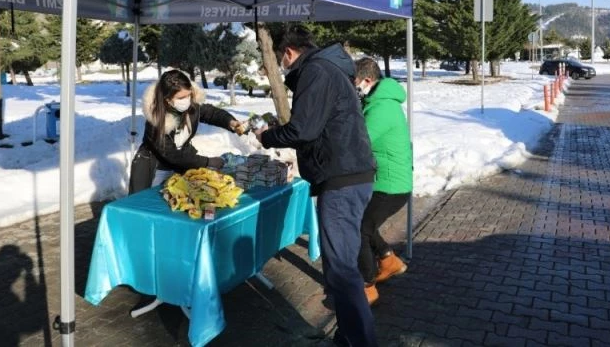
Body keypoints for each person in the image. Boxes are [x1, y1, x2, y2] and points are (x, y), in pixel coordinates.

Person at [255, 26, 378, 347]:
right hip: (349, 173)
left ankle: (360, 340)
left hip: (341, 177)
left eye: (282, 59)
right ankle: (349, 335)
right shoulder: (329, 68)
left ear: (289, 53)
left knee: (340, 270)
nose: (282, 66)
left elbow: (303, 129)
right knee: (342, 265)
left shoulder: (316, 71)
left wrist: (267, 136)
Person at [353, 57, 412, 305]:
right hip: (386, 181)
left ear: (367, 80)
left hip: (391, 185)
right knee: (365, 223)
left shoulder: (382, 108)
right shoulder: (377, 102)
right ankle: (388, 260)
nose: (353, 88)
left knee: (359, 229)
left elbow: (359, 142)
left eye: (354, 82)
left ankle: (367, 286)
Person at [129, 69, 245, 194]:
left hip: (180, 163)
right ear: (167, 99)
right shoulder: (155, 122)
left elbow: (212, 113)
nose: (187, 100)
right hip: (153, 167)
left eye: (189, 95)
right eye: (181, 97)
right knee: (147, 203)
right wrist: (207, 162)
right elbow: (172, 155)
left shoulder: (191, 106)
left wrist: (231, 122)